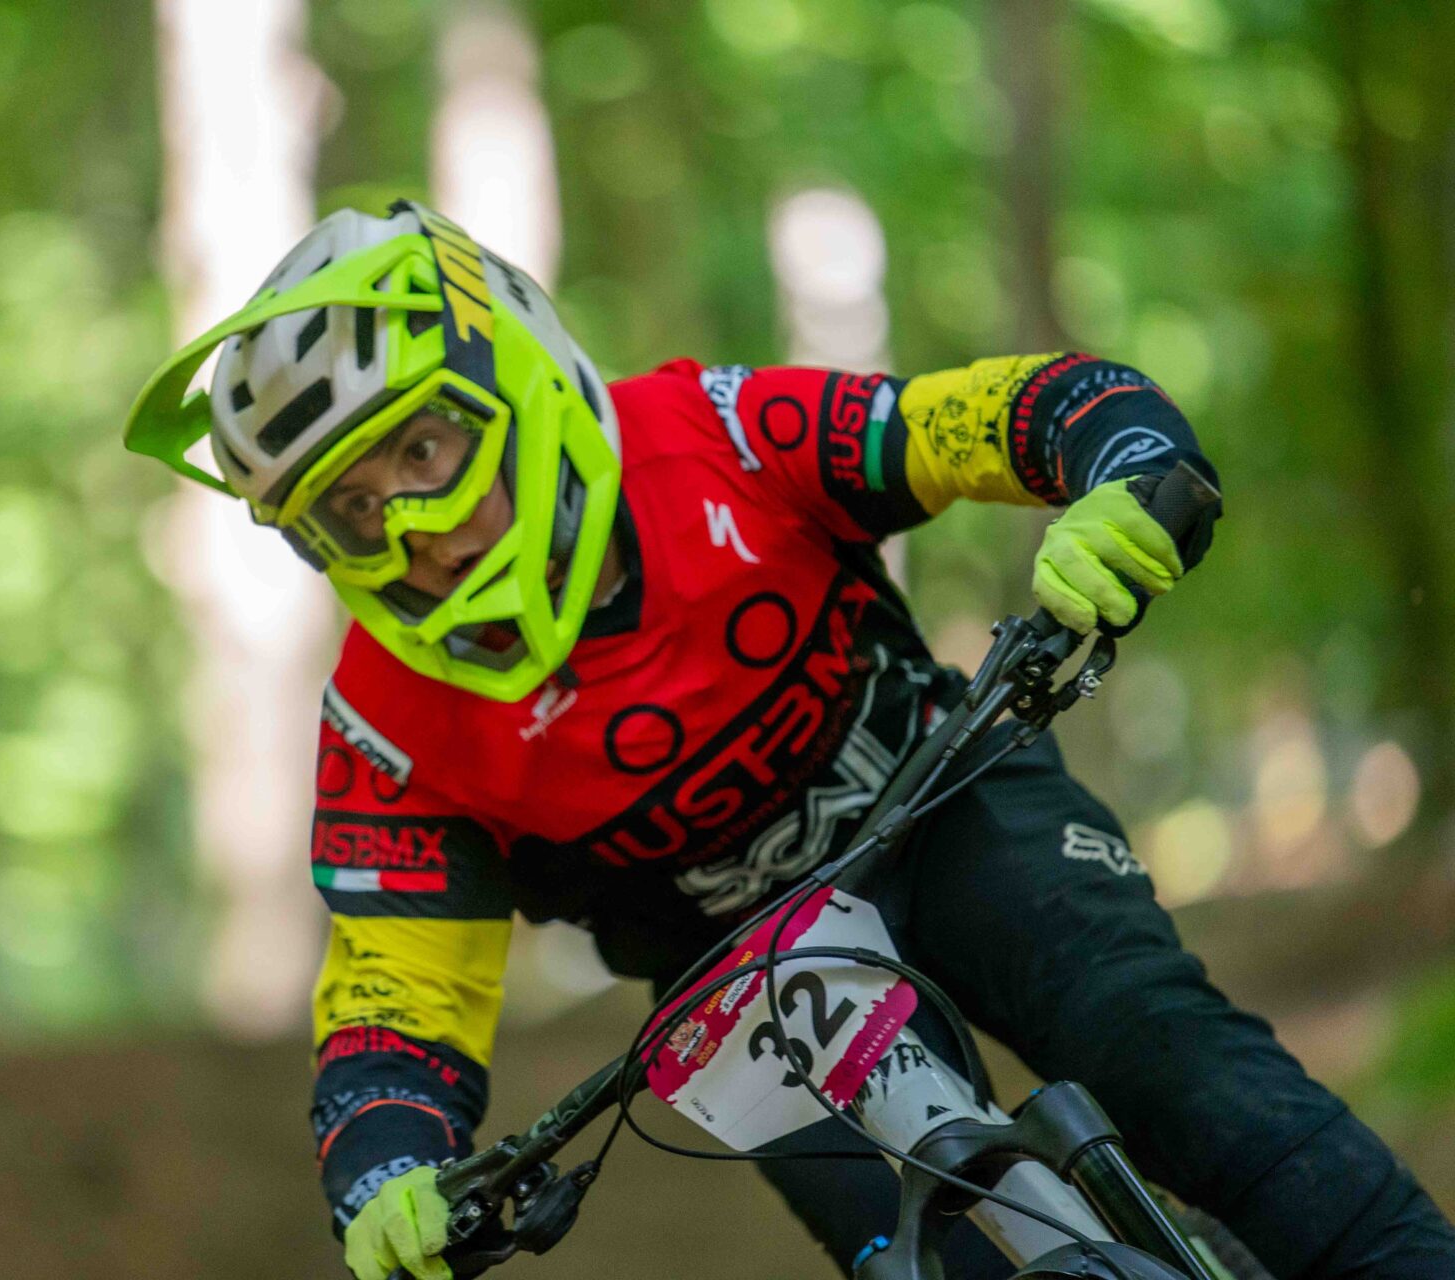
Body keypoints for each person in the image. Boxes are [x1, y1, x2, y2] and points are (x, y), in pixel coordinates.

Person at [123, 202, 1455, 1280]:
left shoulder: (711, 434)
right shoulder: (385, 724)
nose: (412, 527)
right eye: (353, 510)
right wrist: (387, 1168)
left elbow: (998, 415)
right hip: (739, 992)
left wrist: (1128, 474)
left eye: (424, 450)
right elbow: (396, 1001)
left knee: (1168, 1062)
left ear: (517, 379)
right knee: (926, 1257)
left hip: (948, 805)